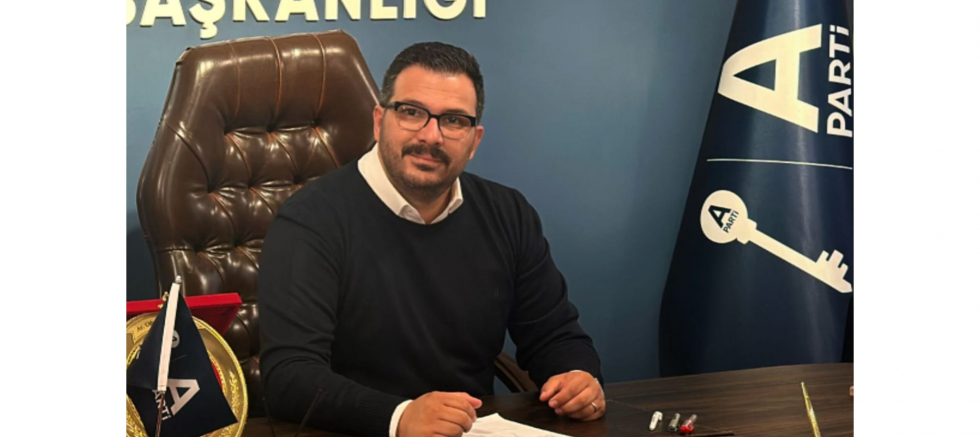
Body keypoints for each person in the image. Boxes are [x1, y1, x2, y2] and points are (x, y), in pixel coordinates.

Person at [259, 42, 604, 437]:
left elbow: (554, 334)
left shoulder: (508, 213)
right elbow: (290, 377)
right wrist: (399, 417)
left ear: (474, 140)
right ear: (379, 121)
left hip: (472, 430)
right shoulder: (311, 220)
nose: (431, 135)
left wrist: (578, 376)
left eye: (453, 120)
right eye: (411, 112)